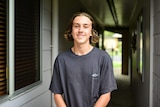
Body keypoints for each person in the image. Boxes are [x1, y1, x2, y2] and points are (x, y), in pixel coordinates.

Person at [49, 12, 117, 107]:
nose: (80, 30)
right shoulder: (61, 60)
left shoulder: (103, 58)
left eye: (85, 26)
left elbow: (106, 94)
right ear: (71, 31)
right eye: (76, 26)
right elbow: (57, 93)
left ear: (91, 32)